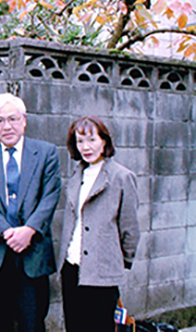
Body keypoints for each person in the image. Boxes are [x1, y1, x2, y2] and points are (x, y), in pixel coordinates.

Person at [0, 93, 61, 332]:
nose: (7, 126)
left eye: (12, 119)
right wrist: (6, 231)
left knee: (33, 321)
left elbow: (50, 195)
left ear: (24, 120)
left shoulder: (46, 152)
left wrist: (29, 230)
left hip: (33, 250)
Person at [59, 116, 140, 332]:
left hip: (102, 271)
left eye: (92, 140)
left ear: (104, 141)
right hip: (71, 268)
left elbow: (130, 229)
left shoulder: (122, 177)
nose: (86, 147)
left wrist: (118, 261)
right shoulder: (77, 174)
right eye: (80, 141)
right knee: (74, 327)